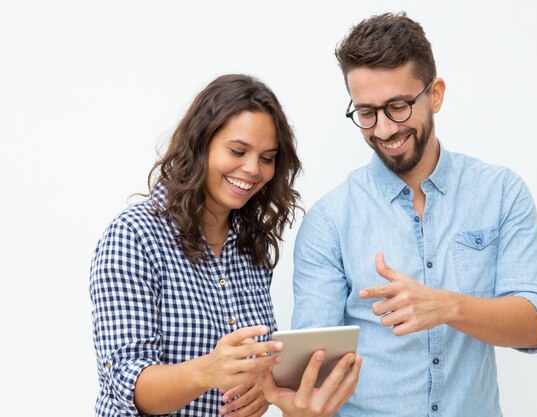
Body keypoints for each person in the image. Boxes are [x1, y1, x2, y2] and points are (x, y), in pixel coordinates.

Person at [291, 12, 537, 417]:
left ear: (435, 94)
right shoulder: (329, 220)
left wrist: (447, 306)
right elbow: (311, 372)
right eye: (366, 113)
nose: (382, 130)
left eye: (397, 107)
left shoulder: (501, 192)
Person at [90, 74, 361, 417]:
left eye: (267, 157)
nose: (252, 169)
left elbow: (250, 371)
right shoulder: (134, 236)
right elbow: (127, 384)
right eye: (237, 151)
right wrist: (208, 370)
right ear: (200, 143)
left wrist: (264, 389)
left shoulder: (250, 246)